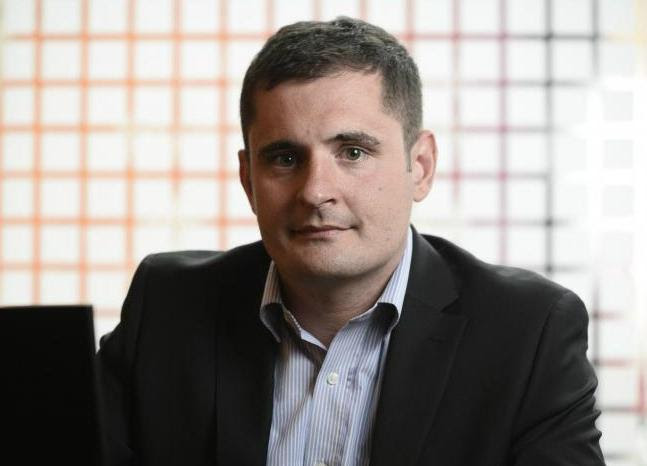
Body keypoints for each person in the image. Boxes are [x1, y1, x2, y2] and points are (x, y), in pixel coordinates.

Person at [96, 17, 605, 466]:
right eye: (285, 158)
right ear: (248, 180)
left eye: (353, 152)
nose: (315, 191)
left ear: (420, 166)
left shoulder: (527, 333)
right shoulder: (167, 308)